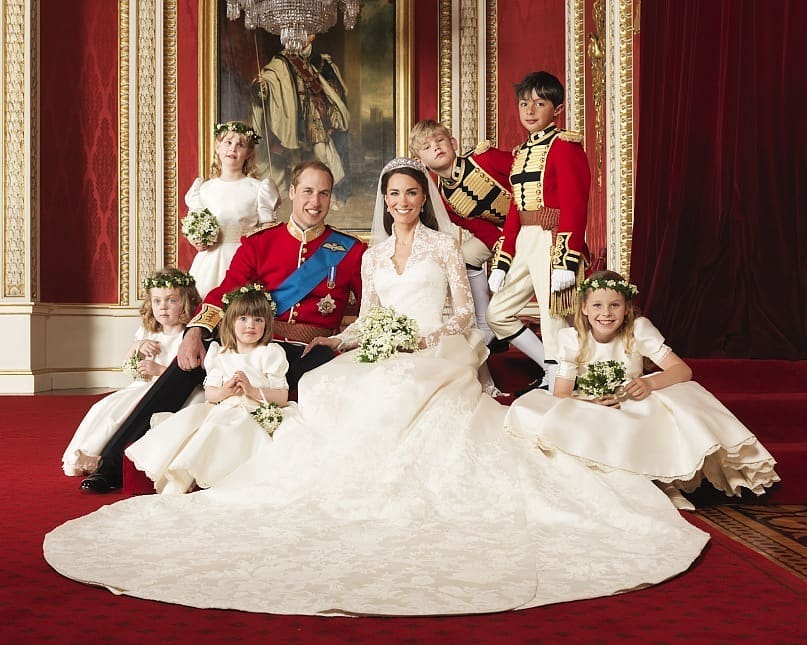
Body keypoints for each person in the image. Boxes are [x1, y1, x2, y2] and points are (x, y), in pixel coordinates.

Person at [46, 159, 709, 616]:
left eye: (410, 194)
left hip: (427, 348)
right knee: (321, 383)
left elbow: (458, 314)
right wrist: (329, 338)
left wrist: (409, 337)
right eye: (390, 195)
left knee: (373, 387)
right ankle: (131, 460)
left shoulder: (408, 248)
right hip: (321, 337)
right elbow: (358, 316)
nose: (399, 203)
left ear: (420, 197)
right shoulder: (318, 249)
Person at [79, 160, 365, 493]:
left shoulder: (350, 251)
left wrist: (342, 341)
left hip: (306, 352)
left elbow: (369, 306)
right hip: (250, 341)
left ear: (331, 198)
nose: (314, 202)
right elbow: (223, 294)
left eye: (323, 193)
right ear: (291, 193)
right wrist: (195, 333)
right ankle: (112, 463)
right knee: (187, 364)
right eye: (307, 191)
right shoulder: (261, 243)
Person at [506, 270, 781, 509]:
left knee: (672, 402)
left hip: (633, 400)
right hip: (593, 402)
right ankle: (624, 486)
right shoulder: (572, 338)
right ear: (585, 309)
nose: (606, 313)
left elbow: (682, 370)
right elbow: (561, 394)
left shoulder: (637, 330)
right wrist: (592, 404)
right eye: (598, 305)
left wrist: (649, 382)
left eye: (615, 305)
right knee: (550, 413)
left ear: (626, 308)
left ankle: (665, 482)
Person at [125, 285, 292, 495]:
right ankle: (178, 480)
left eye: (258, 320)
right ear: (230, 322)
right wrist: (226, 391)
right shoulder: (219, 353)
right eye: (243, 319)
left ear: (267, 324)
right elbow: (211, 394)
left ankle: (202, 479)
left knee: (223, 429)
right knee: (193, 427)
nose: (250, 325)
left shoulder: (270, 353)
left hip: (255, 410)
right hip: (224, 407)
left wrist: (251, 390)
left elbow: (282, 396)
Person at [486, 71, 591, 393]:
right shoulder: (522, 152)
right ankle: (549, 366)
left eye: (539, 104)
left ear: (556, 110)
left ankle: (560, 378)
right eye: (523, 104)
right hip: (526, 240)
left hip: (553, 238)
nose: (529, 111)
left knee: (553, 313)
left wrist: (566, 259)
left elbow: (576, 205)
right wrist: (503, 261)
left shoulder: (564, 146)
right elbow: (516, 209)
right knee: (497, 313)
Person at [61, 269, 203, 476]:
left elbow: (188, 376)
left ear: (187, 302)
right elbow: (128, 365)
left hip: (172, 391)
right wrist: (137, 347)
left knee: (135, 411)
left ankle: (109, 460)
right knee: (105, 408)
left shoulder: (188, 336)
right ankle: (92, 453)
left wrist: (159, 370)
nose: (162, 307)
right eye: (156, 301)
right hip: (142, 385)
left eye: (171, 300)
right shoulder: (148, 332)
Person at [411, 119, 515, 347]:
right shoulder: (444, 199)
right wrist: (502, 246)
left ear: (453, 143)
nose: (436, 147)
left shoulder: (483, 159)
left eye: (439, 141)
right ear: (420, 162)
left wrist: (510, 247)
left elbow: (524, 179)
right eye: (427, 147)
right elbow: (479, 227)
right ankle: (485, 326)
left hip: (530, 222)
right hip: (501, 233)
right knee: (464, 257)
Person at [184, 121, 280, 298]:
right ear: (218, 147)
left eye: (240, 145)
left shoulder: (258, 188)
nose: (233, 149)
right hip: (210, 261)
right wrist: (197, 240)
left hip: (243, 260)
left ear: (248, 152)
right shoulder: (204, 189)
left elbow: (268, 233)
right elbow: (195, 224)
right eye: (228, 143)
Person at [251, 35, 350, 204]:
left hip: (314, 112)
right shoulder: (282, 60)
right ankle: (297, 196)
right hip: (294, 115)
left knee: (322, 153)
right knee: (294, 158)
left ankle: (329, 191)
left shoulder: (321, 60)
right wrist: (262, 86)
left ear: (312, 36)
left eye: (306, 32)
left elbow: (333, 87)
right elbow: (269, 79)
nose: (301, 37)